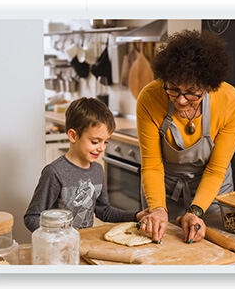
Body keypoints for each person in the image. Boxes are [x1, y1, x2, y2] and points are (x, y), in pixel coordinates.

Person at [136, 30, 235, 244]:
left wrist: (195, 211)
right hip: (164, 187)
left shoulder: (231, 103)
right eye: (173, 89)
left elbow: (216, 170)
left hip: (212, 191)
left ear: (209, 85)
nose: (182, 100)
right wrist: (158, 208)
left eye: (192, 92)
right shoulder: (149, 98)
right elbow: (151, 166)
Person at [24, 97, 148, 232]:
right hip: (59, 247)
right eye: (95, 142)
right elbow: (32, 217)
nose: (102, 148)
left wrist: (135, 216)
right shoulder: (54, 172)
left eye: (105, 142)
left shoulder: (97, 170)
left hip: (83, 244)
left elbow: (104, 211)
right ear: (73, 136)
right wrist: (55, 238)